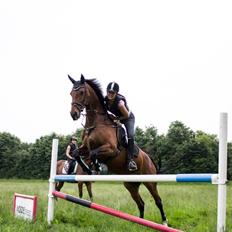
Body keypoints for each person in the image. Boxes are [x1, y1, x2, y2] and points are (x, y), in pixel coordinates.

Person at [104, 82, 138, 171]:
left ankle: (130, 160)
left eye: (112, 93)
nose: (110, 95)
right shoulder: (105, 100)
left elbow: (126, 115)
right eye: (109, 92)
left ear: (116, 93)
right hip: (117, 118)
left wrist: (117, 119)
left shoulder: (120, 103)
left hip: (127, 118)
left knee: (130, 135)